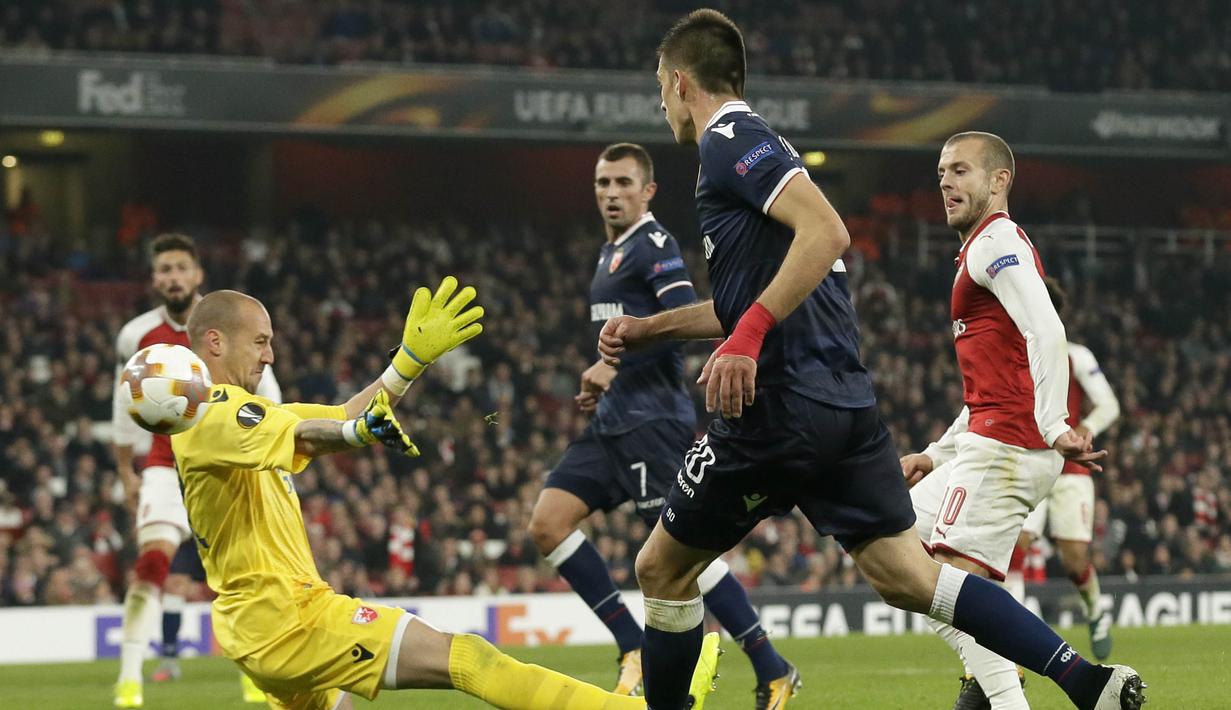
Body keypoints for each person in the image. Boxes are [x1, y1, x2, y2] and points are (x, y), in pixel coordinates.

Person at [599, 9, 1145, 710]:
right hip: (840, 407)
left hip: (777, 406)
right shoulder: (760, 156)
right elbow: (755, 295)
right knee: (910, 578)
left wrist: (747, 336)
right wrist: (654, 329)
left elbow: (828, 232)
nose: (660, 103)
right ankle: (1085, 681)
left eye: (659, 88)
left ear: (679, 82)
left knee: (660, 570)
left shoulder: (729, 137)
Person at [169, 280, 721, 710]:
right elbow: (323, 431)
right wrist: (356, 435)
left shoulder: (232, 413)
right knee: (469, 659)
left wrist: (407, 361)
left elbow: (338, 416)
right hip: (288, 621)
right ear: (215, 340)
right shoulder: (213, 413)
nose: (270, 356)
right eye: (261, 340)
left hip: (267, 624)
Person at [527, 143, 799, 706]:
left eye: (623, 183)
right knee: (548, 523)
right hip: (612, 423)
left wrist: (610, 363)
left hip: (653, 422)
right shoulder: (610, 254)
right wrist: (603, 371)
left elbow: (692, 318)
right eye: (603, 183)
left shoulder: (655, 247)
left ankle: (771, 666)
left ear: (647, 191)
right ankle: (631, 645)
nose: (611, 193)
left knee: (681, 556)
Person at [901, 133, 1139, 710]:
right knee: (897, 542)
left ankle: (1033, 689)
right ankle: (992, 686)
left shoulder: (997, 240)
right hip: (989, 439)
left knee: (946, 583)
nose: (946, 182)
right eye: (941, 173)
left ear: (999, 180)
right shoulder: (979, 249)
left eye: (961, 170)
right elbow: (991, 388)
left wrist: (1056, 423)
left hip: (1009, 449)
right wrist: (936, 453)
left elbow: (1049, 330)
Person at [112, 233, 275, 707]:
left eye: (181, 267)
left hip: (227, 463)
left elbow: (270, 394)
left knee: (240, 573)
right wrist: (127, 471)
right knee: (152, 563)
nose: (173, 277)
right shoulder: (136, 335)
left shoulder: (229, 322)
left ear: (198, 273)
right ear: (155, 278)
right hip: (165, 463)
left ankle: (253, 670)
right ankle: (129, 679)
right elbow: (125, 404)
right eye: (164, 269)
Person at [1016, 279, 1121, 651]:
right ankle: (1010, 636)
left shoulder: (1076, 355)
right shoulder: (1015, 354)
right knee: (1018, 543)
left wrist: (1084, 427)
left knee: (1075, 562)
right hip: (1029, 462)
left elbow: (1109, 404)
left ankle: (1095, 611)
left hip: (1070, 468)